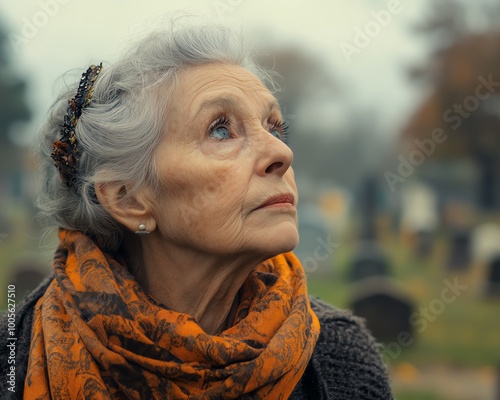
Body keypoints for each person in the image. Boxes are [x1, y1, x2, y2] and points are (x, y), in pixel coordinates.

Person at [0, 20, 394, 399]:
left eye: (274, 127)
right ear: (128, 199)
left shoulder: (340, 360)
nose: (282, 153)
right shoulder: (12, 359)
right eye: (221, 129)